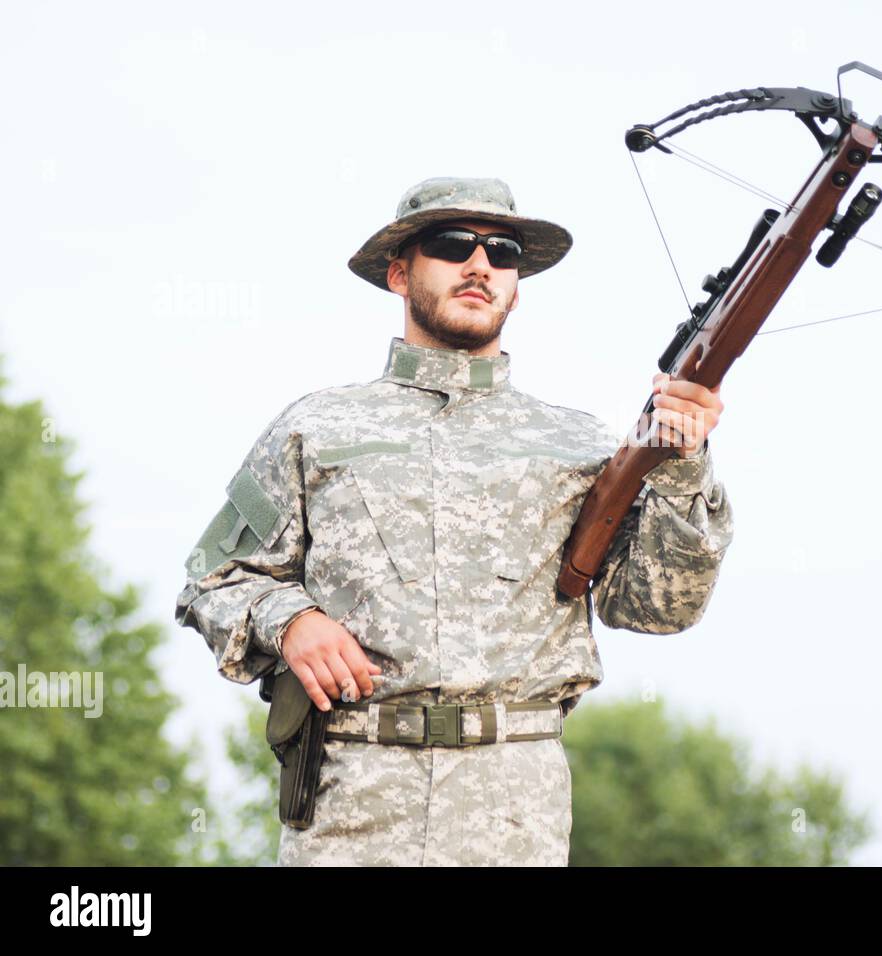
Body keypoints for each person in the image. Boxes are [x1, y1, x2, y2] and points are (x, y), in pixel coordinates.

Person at [174, 176, 734, 866]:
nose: (479, 265)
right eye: (451, 244)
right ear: (399, 274)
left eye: (503, 253)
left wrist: (683, 460)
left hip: (514, 809)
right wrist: (289, 620)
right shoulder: (315, 428)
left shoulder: (582, 446)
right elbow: (212, 581)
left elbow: (660, 608)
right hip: (352, 802)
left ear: (516, 288)